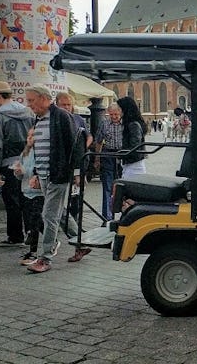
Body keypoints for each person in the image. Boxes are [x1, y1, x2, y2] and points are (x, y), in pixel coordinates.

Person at [23, 84, 84, 273]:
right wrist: (35, 173)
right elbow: (39, 150)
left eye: (31, 100)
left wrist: (76, 173)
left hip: (57, 174)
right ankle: (80, 242)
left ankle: (45, 258)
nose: (29, 104)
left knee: (49, 215)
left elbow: (75, 146)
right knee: (59, 212)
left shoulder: (61, 116)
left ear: (43, 98)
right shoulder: (38, 119)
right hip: (43, 175)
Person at [0, 81, 34, 246]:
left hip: (8, 162)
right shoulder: (28, 112)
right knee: (27, 197)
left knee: (11, 200)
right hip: (28, 161)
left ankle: (15, 236)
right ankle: (30, 231)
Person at [58, 92, 95, 262]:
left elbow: (86, 140)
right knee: (55, 211)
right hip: (58, 171)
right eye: (63, 104)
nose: (66, 108)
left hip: (69, 172)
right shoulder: (53, 120)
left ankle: (78, 241)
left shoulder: (77, 121)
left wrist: (79, 171)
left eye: (69, 105)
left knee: (62, 209)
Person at [14, 130, 45, 265]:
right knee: (36, 222)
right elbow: (21, 169)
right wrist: (18, 172)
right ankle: (53, 240)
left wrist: (25, 171)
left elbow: (38, 169)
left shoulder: (41, 153)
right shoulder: (25, 153)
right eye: (29, 136)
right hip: (26, 191)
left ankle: (33, 253)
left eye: (33, 136)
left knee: (35, 222)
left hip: (38, 192)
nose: (30, 139)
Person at [94, 103, 124, 221]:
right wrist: (97, 158)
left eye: (116, 114)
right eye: (111, 114)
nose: (114, 117)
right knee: (107, 186)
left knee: (123, 186)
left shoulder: (125, 124)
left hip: (122, 155)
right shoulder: (104, 123)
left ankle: (124, 216)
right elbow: (99, 141)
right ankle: (107, 218)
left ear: (120, 113)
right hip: (108, 155)